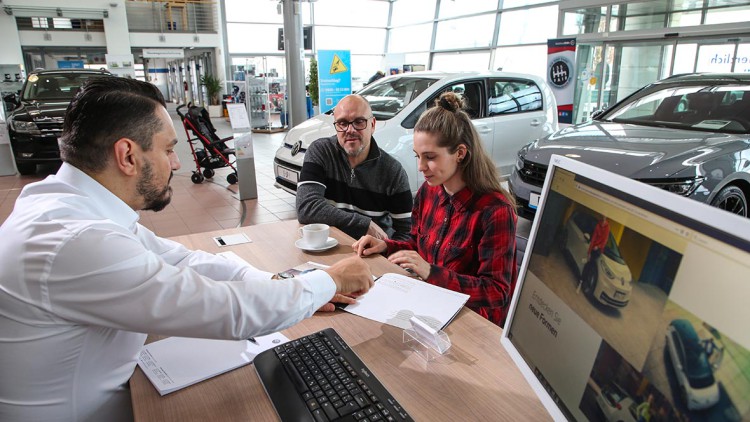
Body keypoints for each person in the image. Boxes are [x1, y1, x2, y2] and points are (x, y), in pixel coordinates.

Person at [0, 77, 374, 421]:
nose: (177, 163)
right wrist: (331, 280)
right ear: (128, 156)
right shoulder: (77, 239)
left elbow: (185, 260)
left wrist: (275, 280)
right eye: (168, 149)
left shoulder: (69, 206)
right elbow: (231, 313)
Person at [352, 92, 518, 327]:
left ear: (460, 153)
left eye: (430, 157)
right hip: (430, 304)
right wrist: (387, 246)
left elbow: (496, 292)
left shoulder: (495, 211)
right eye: (418, 156)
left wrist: (431, 272)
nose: (421, 167)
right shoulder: (429, 192)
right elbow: (418, 247)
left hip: (473, 324)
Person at [296, 94, 413, 241]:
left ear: (372, 125)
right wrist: (365, 224)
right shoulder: (321, 152)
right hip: (329, 250)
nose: (350, 129)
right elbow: (306, 207)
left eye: (359, 122)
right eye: (342, 123)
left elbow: (407, 232)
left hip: (372, 255)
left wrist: (388, 254)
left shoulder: (392, 171)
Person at [581, 213, 610, 290]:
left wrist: (598, 246)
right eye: (602, 216)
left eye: (605, 216)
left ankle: (586, 284)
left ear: (606, 218)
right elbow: (593, 238)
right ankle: (582, 281)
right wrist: (589, 251)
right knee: (588, 264)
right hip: (593, 248)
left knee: (591, 265)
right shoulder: (598, 225)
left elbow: (604, 241)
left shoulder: (607, 228)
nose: (603, 218)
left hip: (598, 250)